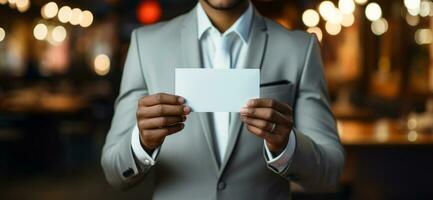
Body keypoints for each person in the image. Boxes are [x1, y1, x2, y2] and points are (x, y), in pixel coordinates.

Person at [101, 0, 345, 199]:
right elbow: (113, 172)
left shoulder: (299, 49)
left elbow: (330, 172)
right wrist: (141, 143)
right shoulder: (147, 45)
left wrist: (286, 146)